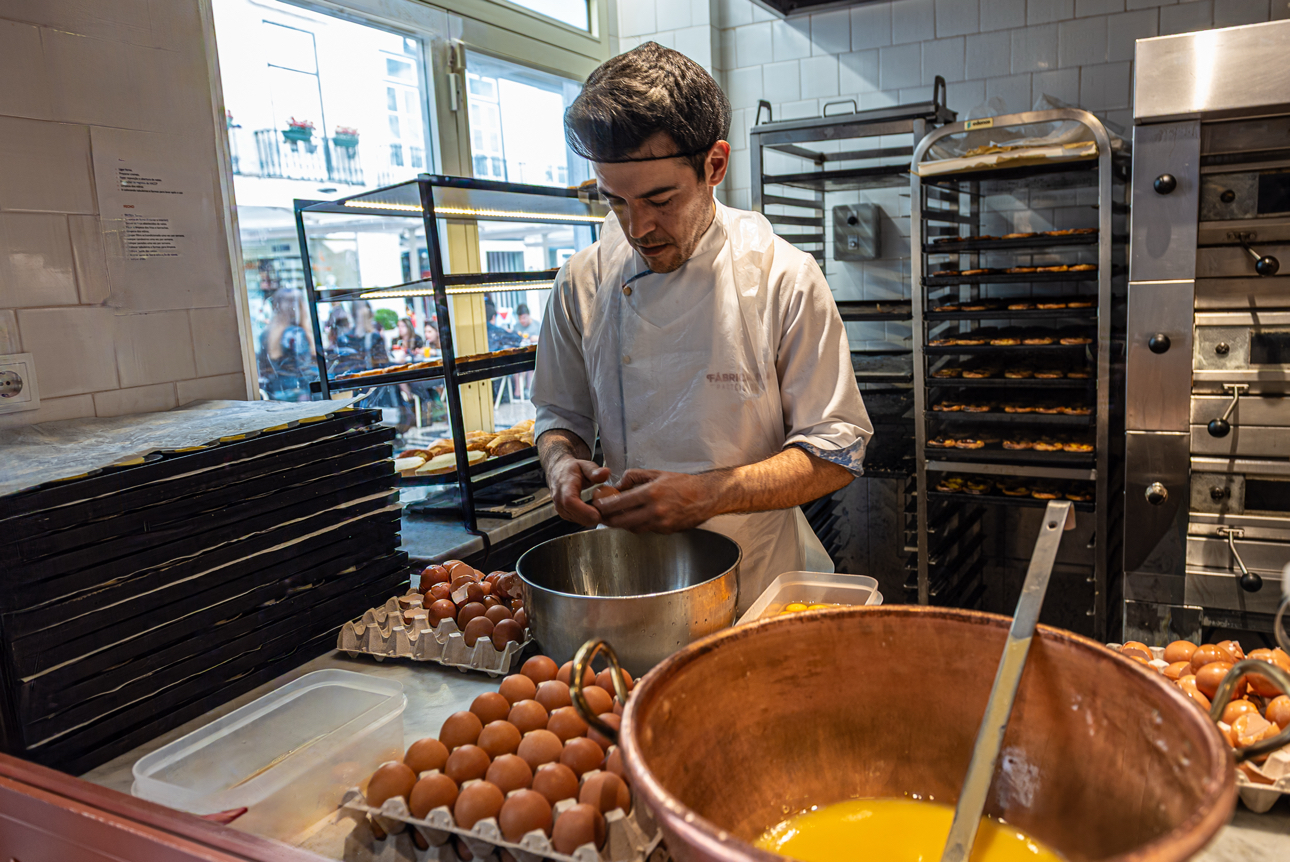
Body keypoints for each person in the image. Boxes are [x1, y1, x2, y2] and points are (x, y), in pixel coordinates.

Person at [531, 42, 872, 611]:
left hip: (758, 588)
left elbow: (835, 451)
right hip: (628, 585)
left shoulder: (782, 277)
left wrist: (708, 495)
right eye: (614, 201)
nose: (638, 227)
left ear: (714, 165)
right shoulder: (582, 280)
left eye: (660, 199)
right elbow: (558, 415)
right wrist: (560, 461)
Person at [257, 287, 318, 401]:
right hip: (298, 393)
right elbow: (303, 370)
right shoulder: (296, 333)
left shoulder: (267, 333)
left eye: (295, 301)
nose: (291, 306)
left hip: (277, 392)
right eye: (287, 301)